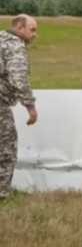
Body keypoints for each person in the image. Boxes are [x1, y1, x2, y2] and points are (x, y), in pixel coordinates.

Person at [0, 14, 39, 202]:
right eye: (32, 30)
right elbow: (18, 79)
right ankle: (1, 194)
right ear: (19, 29)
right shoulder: (15, 46)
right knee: (6, 149)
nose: (35, 34)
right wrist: (30, 106)